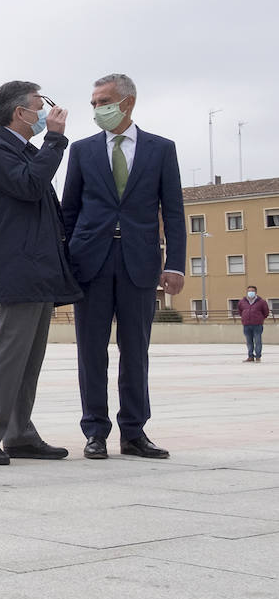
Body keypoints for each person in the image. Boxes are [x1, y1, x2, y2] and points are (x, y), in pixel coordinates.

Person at [62, 73, 185, 460]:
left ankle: (134, 432)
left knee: (136, 351)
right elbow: (69, 210)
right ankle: (95, 432)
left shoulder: (161, 149)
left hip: (140, 263)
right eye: (94, 103)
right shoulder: (81, 150)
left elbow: (175, 212)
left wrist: (176, 265)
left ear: (127, 102)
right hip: (90, 263)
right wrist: (66, 262)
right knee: (91, 352)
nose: (97, 109)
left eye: (104, 101)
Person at [0, 82, 81, 465]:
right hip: (19, 269)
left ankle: (19, 433)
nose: (47, 112)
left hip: (39, 270)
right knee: (9, 355)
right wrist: (56, 139)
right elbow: (31, 187)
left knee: (29, 359)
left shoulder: (22, 150)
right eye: (41, 105)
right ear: (20, 113)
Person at [239, 285, 269, 363]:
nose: (250, 292)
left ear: (255, 292)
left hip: (257, 325)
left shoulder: (261, 302)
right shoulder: (242, 301)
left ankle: (258, 357)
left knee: (258, 341)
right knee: (249, 341)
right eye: (249, 291)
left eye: (252, 291)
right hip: (246, 324)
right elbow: (240, 311)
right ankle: (250, 356)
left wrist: (260, 319)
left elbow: (266, 312)